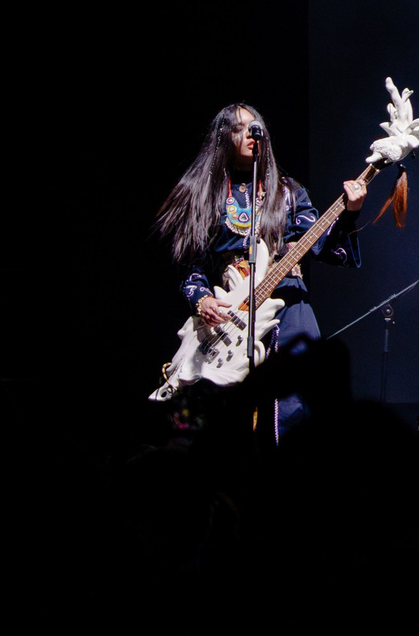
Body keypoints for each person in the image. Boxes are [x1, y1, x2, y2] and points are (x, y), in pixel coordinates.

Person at [152, 103, 365, 413]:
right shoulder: (204, 196)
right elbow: (190, 266)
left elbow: (326, 248)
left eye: (256, 128)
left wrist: (351, 213)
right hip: (234, 316)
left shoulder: (288, 193)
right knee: (234, 408)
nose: (251, 135)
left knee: (298, 398)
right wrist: (203, 301)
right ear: (223, 138)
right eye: (239, 129)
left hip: (289, 306)